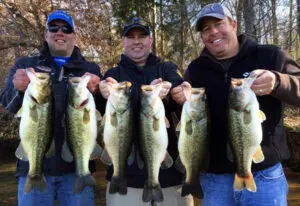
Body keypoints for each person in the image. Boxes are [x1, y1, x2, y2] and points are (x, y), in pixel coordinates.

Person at [171, 3, 300, 206]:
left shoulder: (270, 56)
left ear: (234, 24)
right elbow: (189, 121)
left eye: (218, 24)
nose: (213, 32)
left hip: (265, 176)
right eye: (205, 29)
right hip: (214, 180)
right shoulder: (195, 69)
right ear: (202, 37)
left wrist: (278, 81)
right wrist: (178, 99)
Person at [0, 10, 104, 206]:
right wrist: (18, 89)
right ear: (45, 34)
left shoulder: (90, 70)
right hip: (33, 165)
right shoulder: (26, 65)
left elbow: (104, 113)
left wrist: (100, 92)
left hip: (76, 170)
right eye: (53, 28)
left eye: (66, 28)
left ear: (74, 35)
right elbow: (8, 103)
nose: (60, 32)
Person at [99, 16, 194, 206]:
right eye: (131, 36)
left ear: (150, 40)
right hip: (125, 180)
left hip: (170, 179)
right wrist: (101, 92)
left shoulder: (167, 68)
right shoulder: (114, 74)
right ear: (124, 41)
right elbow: (101, 111)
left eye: (142, 36)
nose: (136, 41)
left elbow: (179, 93)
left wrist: (173, 92)